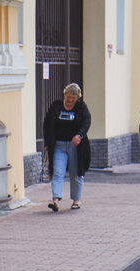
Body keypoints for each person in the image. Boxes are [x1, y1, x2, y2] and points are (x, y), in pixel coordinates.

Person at [43, 83, 92, 211]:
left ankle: (76, 200)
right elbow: (47, 124)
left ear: (77, 98)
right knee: (58, 171)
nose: (70, 100)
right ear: (64, 95)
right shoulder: (56, 106)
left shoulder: (81, 108)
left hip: (75, 146)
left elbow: (86, 122)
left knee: (75, 173)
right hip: (58, 145)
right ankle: (55, 199)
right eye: (68, 97)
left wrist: (79, 135)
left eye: (73, 98)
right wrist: (47, 143)